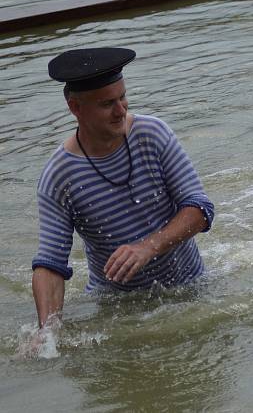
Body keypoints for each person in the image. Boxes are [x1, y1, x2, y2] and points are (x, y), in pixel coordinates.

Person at [31, 47, 215, 331]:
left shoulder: (152, 135)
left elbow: (200, 209)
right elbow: (50, 265)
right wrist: (47, 333)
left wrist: (147, 247)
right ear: (75, 108)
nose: (121, 111)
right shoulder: (59, 176)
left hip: (190, 289)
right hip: (118, 312)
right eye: (107, 104)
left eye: (123, 98)